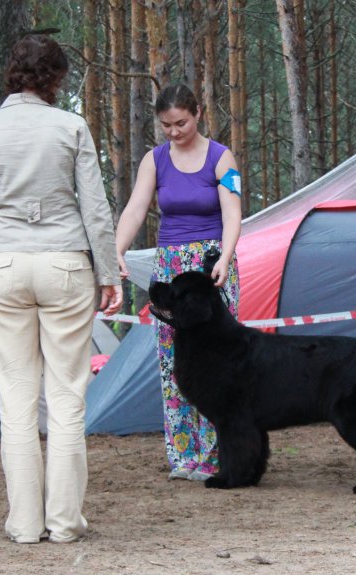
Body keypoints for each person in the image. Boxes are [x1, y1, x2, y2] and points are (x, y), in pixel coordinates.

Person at [0, 34, 123, 544]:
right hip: (66, 264)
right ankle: (65, 523)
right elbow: (95, 209)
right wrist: (108, 275)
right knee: (67, 398)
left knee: (16, 401)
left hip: (5, 265)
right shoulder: (71, 126)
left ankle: (25, 525)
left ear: (13, 74)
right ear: (55, 79)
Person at [116, 84, 242, 481]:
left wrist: (224, 256)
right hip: (170, 267)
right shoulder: (154, 160)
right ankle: (184, 456)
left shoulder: (222, 159)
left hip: (211, 267)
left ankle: (219, 455)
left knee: (217, 363)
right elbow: (136, 209)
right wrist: (116, 252)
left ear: (199, 113)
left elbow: (233, 213)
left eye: (181, 123)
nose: (174, 131)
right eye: (166, 125)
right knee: (175, 364)